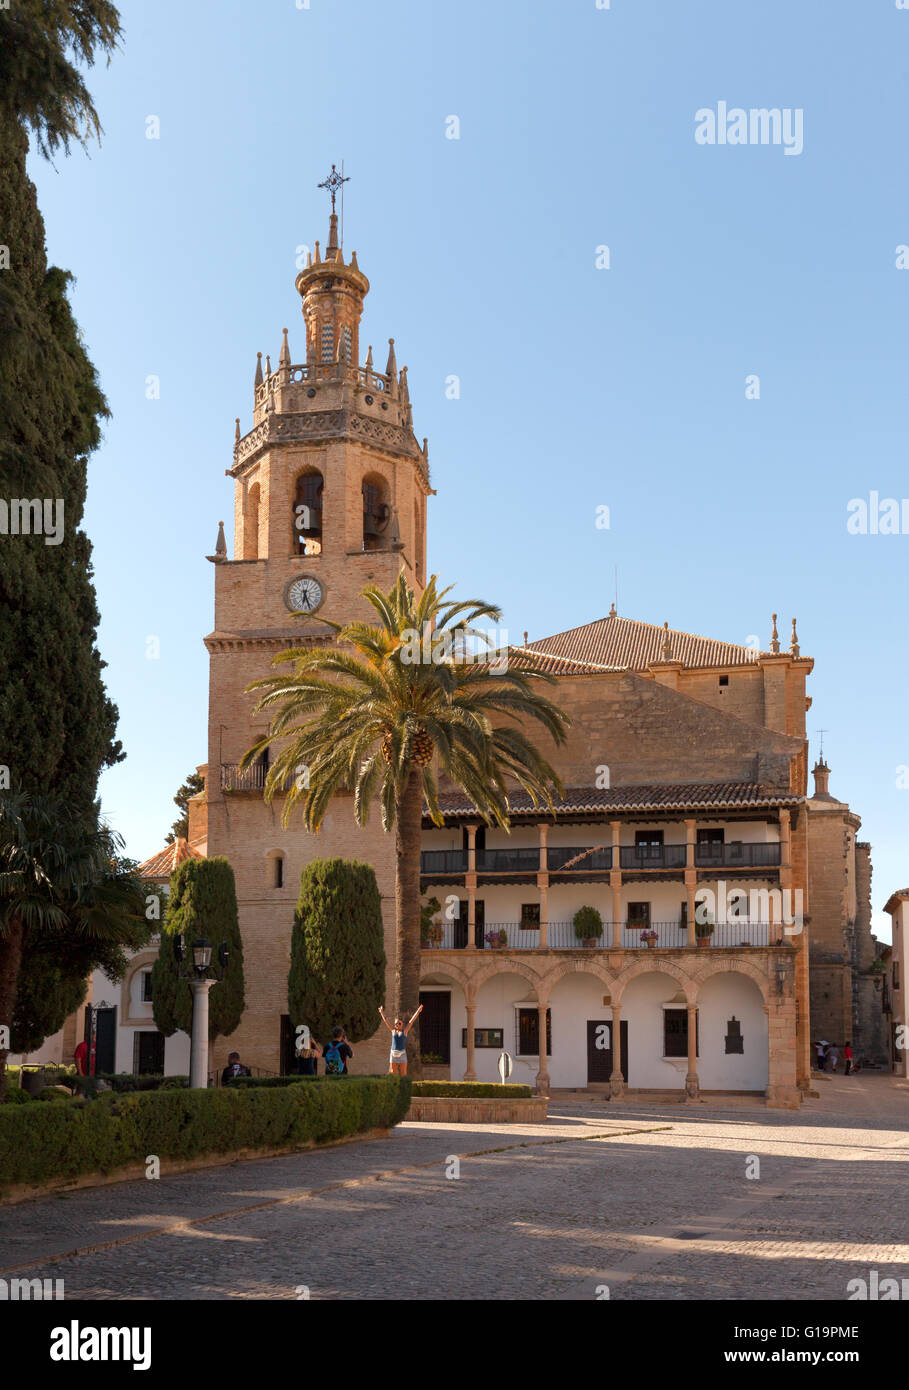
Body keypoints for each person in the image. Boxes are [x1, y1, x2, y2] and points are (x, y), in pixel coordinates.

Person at [378, 1003, 423, 1075]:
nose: (397, 1025)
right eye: (396, 1023)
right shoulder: (393, 1031)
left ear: (402, 1024)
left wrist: (418, 1011)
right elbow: (386, 1021)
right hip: (393, 1054)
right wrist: (381, 1012)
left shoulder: (405, 1031)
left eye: (399, 1023)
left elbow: (411, 1021)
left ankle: (403, 1085)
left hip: (402, 1054)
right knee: (393, 1073)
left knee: (403, 1073)